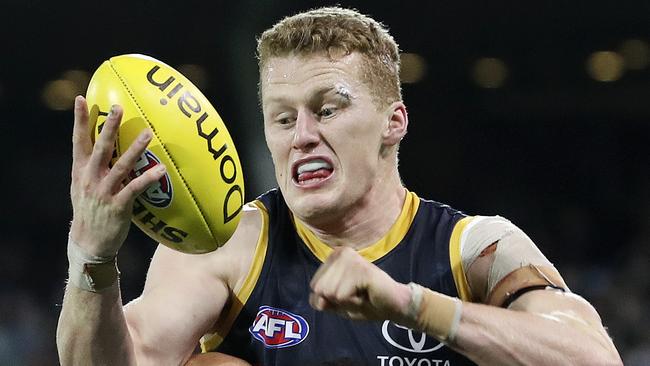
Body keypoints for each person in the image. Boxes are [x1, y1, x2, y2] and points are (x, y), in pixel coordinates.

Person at [57, 6, 623, 366]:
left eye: (326, 110)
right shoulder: (230, 246)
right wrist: (92, 253)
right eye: (282, 118)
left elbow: (594, 360)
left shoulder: (475, 248)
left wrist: (409, 305)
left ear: (393, 122)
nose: (301, 135)